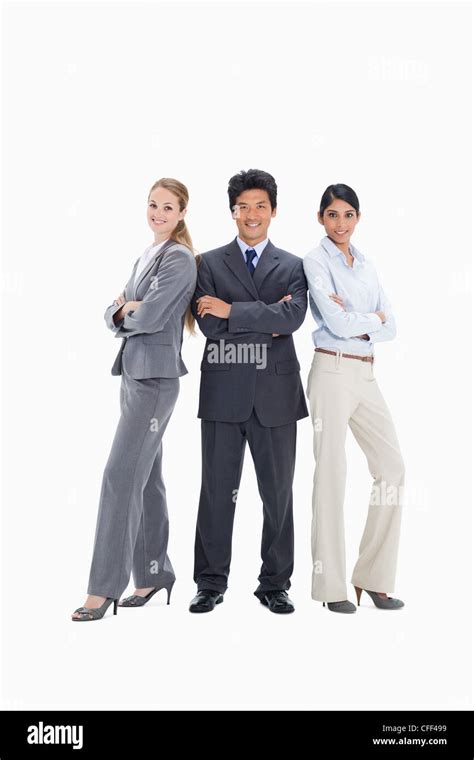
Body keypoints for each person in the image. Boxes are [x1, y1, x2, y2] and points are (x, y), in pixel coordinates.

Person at [72, 178, 197, 621]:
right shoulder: (148, 254)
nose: (158, 213)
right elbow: (117, 309)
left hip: (156, 381)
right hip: (134, 374)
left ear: (182, 213)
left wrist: (126, 310)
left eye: (168, 207)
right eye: (153, 205)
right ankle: (153, 572)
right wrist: (121, 309)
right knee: (146, 478)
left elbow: (148, 315)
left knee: (119, 475)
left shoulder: (179, 259)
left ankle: (103, 588)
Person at [189, 169, 308, 615]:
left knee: (278, 493)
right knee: (217, 490)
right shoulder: (208, 263)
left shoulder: (294, 266)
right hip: (223, 390)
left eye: (261, 206)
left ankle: (274, 583)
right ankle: (210, 581)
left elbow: (291, 320)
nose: (252, 214)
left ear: (273, 211)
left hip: (276, 394)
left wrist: (233, 309)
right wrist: (265, 317)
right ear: (232, 212)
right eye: (244, 207)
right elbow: (208, 325)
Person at [303, 183, 405, 613]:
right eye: (332, 215)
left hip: (366, 373)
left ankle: (373, 578)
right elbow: (337, 323)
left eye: (347, 214)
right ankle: (331, 589)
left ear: (358, 218)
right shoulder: (314, 260)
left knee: (392, 469)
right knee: (332, 473)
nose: (340, 223)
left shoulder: (365, 264)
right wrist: (370, 319)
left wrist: (363, 319)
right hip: (331, 369)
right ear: (321, 219)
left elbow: (392, 324)